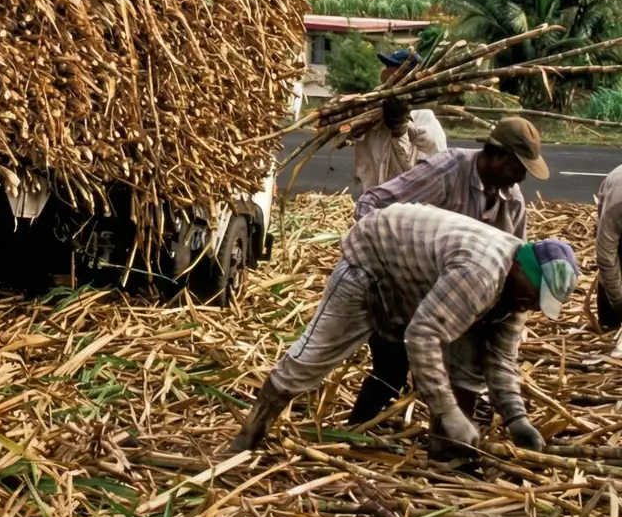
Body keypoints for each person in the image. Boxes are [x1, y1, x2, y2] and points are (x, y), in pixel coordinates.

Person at [229, 202, 579, 457]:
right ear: (523, 272)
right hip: (372, 259)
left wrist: (517, 418)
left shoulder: (515, 298)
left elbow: (501, 361)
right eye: (534, 297)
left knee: (469, 365)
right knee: (314, 354)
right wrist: (447, 410)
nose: (531, 307)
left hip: (417, 279)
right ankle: (249, 435)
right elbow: (423, 336)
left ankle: (447, 452)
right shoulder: (481, 274)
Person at [347, 116, 543, 425]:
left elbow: (516, 261)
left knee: (466, 375)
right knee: (392, 367)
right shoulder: (447, 171)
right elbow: (373, 203)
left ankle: (446, 442)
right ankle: (357, 431)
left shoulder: (513, 201)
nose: (522, 177)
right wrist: (382, 265)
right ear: (497, 156)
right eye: (518, 166)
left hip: (460, 298)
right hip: (405, 285)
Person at [352, 49, 446, 195]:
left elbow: (421, 172)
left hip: (411, 206)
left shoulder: (424, 118)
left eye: (393, 67)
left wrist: (401, 127)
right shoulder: (375, 119)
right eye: (387, 66)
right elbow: (366, 168)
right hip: (377, 204)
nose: (387, 71)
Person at [595, 164, 622, 355]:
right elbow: (606, 255)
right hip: (616, 235)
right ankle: (610, 322)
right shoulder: (618, 202)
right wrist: (619, 303)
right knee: (611, 322)